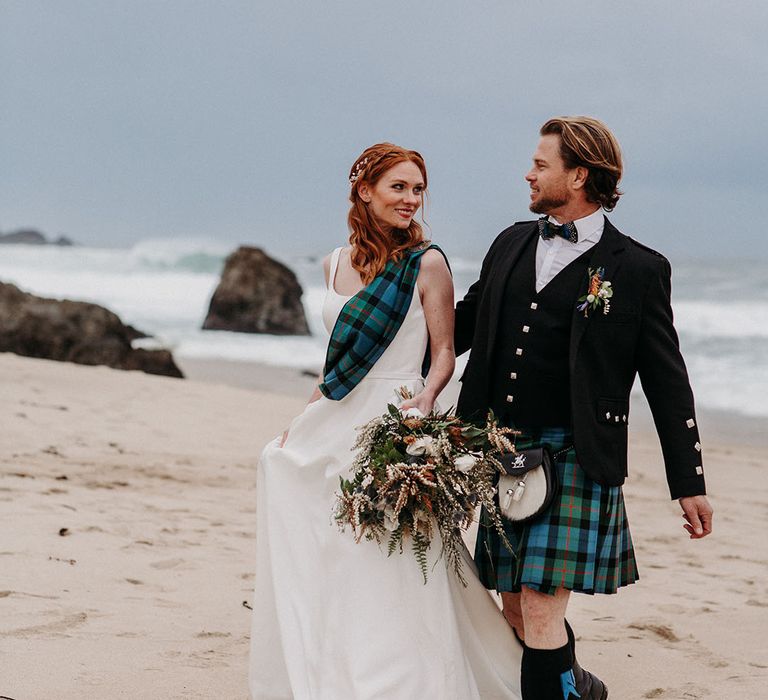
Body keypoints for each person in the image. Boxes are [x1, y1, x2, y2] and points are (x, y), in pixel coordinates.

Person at [249, 143, 523, 699]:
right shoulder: (332, 262)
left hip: (396, 418)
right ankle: (327, 666)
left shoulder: (427, 263)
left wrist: (425, 401)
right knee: (311, 521)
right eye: (399, 187)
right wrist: (301, 420)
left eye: (418, 189)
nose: (411, 199)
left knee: (387, 556)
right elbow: (335, 365)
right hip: (334, 417)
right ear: (364, 190)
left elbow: (445, 354)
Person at [454, 116, 714, 700]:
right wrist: (389, 354)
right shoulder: (510, 242)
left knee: (543, 610)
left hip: (575, 455)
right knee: (517, 610)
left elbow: (667, 380)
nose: (528, 172)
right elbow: (465, 324)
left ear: (578, 175)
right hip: (503, 450)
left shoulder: (639, 269)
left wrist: (689, 479)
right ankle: (582, 689)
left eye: (541, 164)